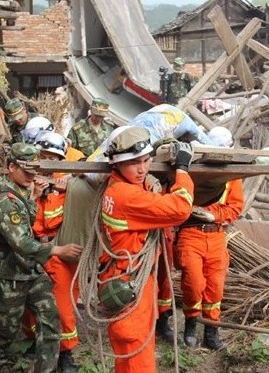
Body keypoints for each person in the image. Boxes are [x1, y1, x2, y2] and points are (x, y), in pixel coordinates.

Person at [0, 143, 83, 372]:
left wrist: (34, 195)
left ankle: (46, 368)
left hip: (30, 271)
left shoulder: (22, 190)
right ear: (11, 167)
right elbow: (22, 243)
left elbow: (29, 221)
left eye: (33, 172)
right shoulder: (5, 198)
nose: (31, 177)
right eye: (26, 172)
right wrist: (58, 251)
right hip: (8, 275)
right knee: (3, 333)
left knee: (51, 320)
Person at [99, 126, 195, 372]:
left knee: (127, 358)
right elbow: (180, 208)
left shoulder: (115, 186)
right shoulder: (126, 196)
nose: (142, 169)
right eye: (134, 163)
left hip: (125, 282)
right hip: (131, 288)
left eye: (145, 161)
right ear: (117, 165)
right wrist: (182, 170)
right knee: (138, 358)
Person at [175, 127, 244, 349]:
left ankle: (211, 333)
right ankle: (191, 325)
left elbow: (235, 208)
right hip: (191, 234)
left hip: (216, 236)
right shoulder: (192, 170)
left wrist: (215, 215)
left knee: (215, 288)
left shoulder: (233, 177)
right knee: (193, 284)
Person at [20, 132, 80, 372]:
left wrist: (67, 185)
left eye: (54, 159)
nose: (48, 163)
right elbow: (22, 223)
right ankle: (36, 342)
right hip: (32, 252)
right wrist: (34, 194)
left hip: (59, 254)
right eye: (44, 157)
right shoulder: (24, 187)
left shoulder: (70, 188)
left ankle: (66, 355)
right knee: (29, 306)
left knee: (63, 308)